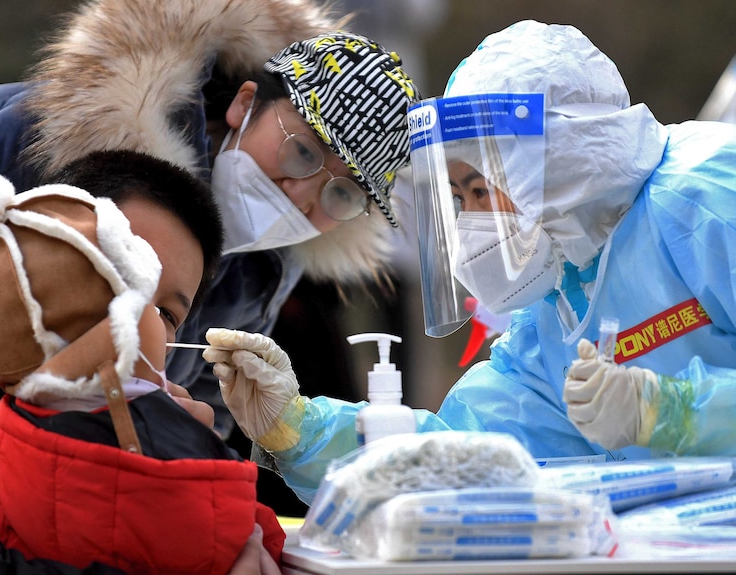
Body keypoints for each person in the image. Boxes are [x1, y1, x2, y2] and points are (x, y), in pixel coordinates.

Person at [200, 20, 736, 505]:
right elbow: (467, 454)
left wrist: (675, 411)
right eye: (458, 198)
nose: (471, 221)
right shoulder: (556, 310)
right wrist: (300, 428)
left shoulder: (709, 198)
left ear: (559, 163)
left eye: (480, 189)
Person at [0, 0, 420, 442]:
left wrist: (181, 433)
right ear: (245, 103)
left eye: (343, 193)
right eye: (301, 152)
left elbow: (201, 413)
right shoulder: (20, 139)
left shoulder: (265, 268)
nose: (302, 196)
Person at [0, 150, 281, 573]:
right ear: (42, 247)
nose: (137, 317)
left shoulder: (119, 412)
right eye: (117, 272)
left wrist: (181, 469)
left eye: (167, 314)